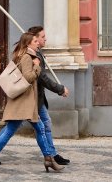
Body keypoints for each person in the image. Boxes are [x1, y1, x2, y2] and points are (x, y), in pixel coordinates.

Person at [0, 26, 71, 166]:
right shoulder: (28, 57)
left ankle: (50, 158)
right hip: (28, 101)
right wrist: (37, 66)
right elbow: (31, 77)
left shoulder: (31, 54)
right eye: (37, 39)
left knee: (37, 127)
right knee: (30, 127)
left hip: (31, 100)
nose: (41, 41)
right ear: (30, 41)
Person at [28, 25, 71, 166]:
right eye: (42, 37)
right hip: (31, 98)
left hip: (37, 98)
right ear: (34, 38)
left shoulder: (38, 52)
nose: (45, 39)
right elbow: (42, 78)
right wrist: (60, 89)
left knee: (45, 124)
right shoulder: (32, 55)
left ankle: (52, 155)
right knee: (12, 128)